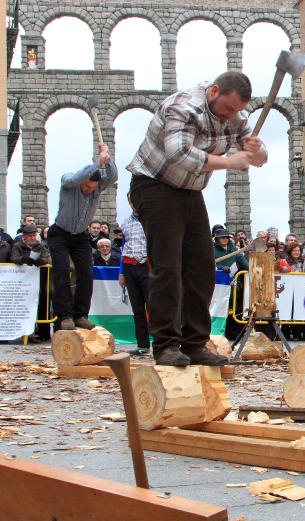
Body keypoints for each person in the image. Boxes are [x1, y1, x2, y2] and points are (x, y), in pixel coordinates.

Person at [128, 71, 267, 366]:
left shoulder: (236, 116)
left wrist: (257, 151)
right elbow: (178, 153)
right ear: (214, 91)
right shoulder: (184, 106)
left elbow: (259, 158)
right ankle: (166, 345)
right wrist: (229, 161)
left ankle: (194, 344)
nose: (231, 115)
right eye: (227, 108)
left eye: (237, 110)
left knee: (202, 268)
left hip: (189, 190)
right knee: (168, 266)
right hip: (154, 184)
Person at [50, 143, 118, 331]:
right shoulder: (69, 181)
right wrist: (98, 163)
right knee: (62, 272)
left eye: (92, 187)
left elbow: (113, 177)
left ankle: (80, 315)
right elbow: (74, 179)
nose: (89, 190)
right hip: (60, 234)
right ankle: (64, 316)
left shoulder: (97, 187)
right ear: (82, 180)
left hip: (80, 237)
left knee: (87, 273)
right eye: (86, 186)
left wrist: (107, 158)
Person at [119, 202, 151, 356]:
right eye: (131, 201)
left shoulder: (151, 220)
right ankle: (142, 345)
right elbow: (123, 247)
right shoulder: (125, 223)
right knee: (137, 308)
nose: (134, 204)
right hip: (129, 266)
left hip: (147, 266)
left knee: (154, 306)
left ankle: (162, 344)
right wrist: (121, 272)